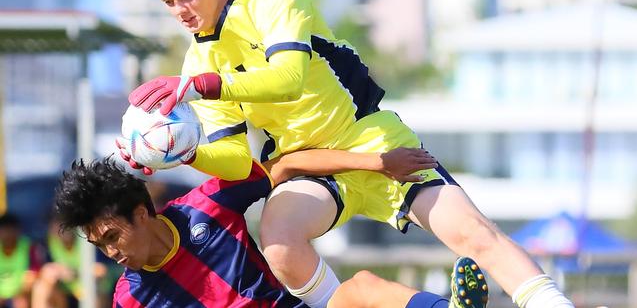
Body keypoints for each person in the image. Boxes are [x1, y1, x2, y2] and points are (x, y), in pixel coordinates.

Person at [123, 0, 572, 307]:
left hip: (371, 137)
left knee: (472, 234)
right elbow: (239, 163)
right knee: (278, 239)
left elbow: (288, 78)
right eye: (169, 2)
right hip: (311, 168)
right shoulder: (198, 60)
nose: (180, 11)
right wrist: (183, 152)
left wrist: (202, 87)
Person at [54, 157, 488, 308]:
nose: (108, 252)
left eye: (111, 236)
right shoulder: (129, 299)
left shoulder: (206, 206)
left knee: (363, 288)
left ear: (141, 214)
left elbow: (285, 166)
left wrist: (375, 161)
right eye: (98, 245)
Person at [31, 216, 108, 308]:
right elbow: (43, 272)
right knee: (41, 288)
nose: (62, 230)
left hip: (88, 290)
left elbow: (102, 270)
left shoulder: (88, 242)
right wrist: (57, 271)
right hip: (63, 294)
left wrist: (74, 272)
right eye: (57, 226)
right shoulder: (46, 245)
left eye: (65, 225)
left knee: (100, 289)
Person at [0, 213, 44, 308]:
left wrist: (22, 290)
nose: (8, 234)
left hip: (22, 293)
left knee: (21, 301)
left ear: (18, 231)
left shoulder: (29, 247)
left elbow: (35, 272)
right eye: (4, 230)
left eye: (11, 230)